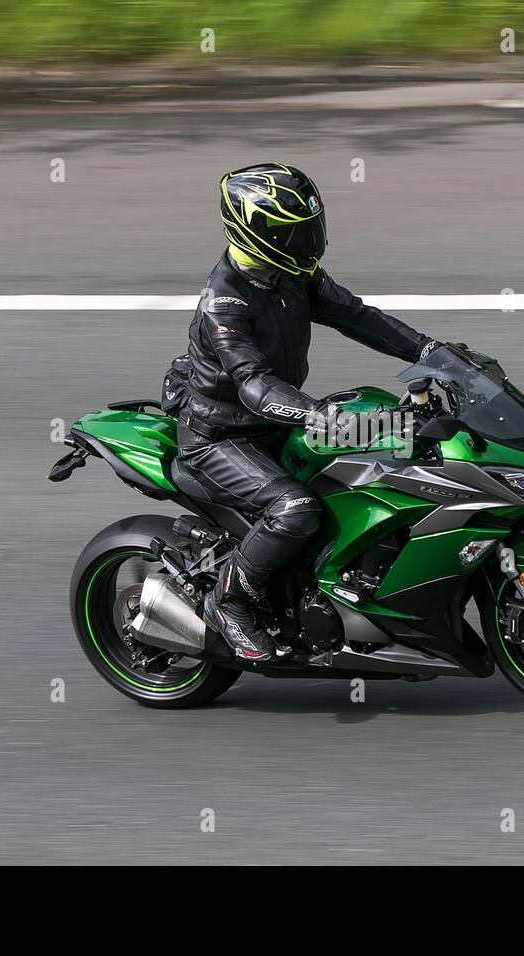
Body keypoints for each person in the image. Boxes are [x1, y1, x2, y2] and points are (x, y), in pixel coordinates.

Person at [175, 162, 437, 661]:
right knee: (297, 509)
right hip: (221, 438)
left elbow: (357, 316)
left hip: (279, 422)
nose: (307, 239)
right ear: (256, 232)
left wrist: (432, 352)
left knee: (396, 454)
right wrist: (317, 414)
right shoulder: (224, 304)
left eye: (308, 227)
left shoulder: (293, 274)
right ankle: (229, 602)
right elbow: (253, 385)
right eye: (292, 232)